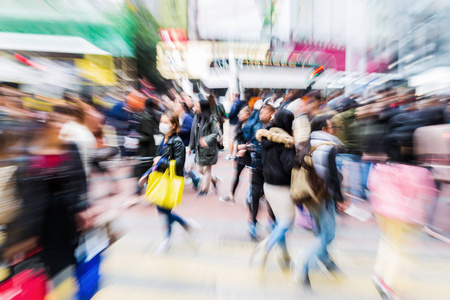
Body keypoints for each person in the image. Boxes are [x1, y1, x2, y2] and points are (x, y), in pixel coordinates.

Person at [9, 106, 93, 277]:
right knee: (34, 271)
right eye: (55, 121)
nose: (58, 126)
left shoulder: (71, 148)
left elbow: (80, 180)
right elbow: (20, 186)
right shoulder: (30, 150)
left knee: (62, 267)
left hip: (64, 220)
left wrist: (82, 207)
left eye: (63, 123)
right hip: (36, 221)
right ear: (46, 124)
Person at [298, 115, 344, 289]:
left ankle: (327, 262)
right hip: (323, 196)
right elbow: (332, 176)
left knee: (320, 232)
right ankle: (305, 264)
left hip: (308, 195)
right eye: (331, 127)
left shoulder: (304, 144)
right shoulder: (327, 147)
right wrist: (340, 198)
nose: (333, 130)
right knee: (328, 234)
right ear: (324, 130)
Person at [139, 110, 193, 253]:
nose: (162, 124)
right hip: (161, 179)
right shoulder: (163, 140)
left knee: (164, 211)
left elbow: (179, 164)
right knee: (162, 210)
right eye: (161, 121)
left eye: (165, 122)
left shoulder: (177, 142)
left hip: (171, 180)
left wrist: (161, 161)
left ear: (174, 125)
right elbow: (156, 163)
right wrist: (147, 174)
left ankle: (167, 239)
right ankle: (184, 225)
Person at [254, 109, 296, 272]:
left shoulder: (266, 137)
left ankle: (285, 256)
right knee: (286, 221)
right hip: (282, 187)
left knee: (281, 222)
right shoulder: (286, 142)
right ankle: (266, 248)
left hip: (268, 186)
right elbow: (289, 166)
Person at [219, 106, 251, 203]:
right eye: (239, 114)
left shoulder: (252, 125)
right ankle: (231, 195)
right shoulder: (239, 123)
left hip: (250, 153)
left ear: (248, 114)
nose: (239, 116)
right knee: (237, 175)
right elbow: (238, 137)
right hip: (241, 154)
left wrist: (245, 147)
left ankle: (255, 195)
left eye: (241, 114)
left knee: (256, 177)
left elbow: (252, 139)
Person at [190, 99, 219, 196]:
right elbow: (193, 133)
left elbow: (215, 133)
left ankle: (204, 190)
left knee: (207, 170)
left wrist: (205, 140)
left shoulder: (211, 118)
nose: (196, 108)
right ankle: (214, 179)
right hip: (199, 148)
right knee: (199, 169)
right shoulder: (196, 117)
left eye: (198, 106)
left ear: (203, 108)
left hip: (208, 149)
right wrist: (191, 146)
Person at [174, 99, 201, 190]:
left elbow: (191, 129)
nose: (175, 107)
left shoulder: (187, 117)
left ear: (182, 107)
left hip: (186, 145)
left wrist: (178, 130)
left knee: (183, 165)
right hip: (181, 144)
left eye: (177, 105)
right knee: (182, 165)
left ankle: (195, 178)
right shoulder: (179, 117)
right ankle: (194, 178)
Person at [225, 93, 245, 160]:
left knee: (231, 139)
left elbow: (231, 113)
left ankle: (230, 154)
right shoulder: (241, 102)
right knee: (237, 139)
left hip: (233, 122)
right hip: (239, 122)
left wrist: (228, 116)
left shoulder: (235, 103)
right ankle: (237, 154)